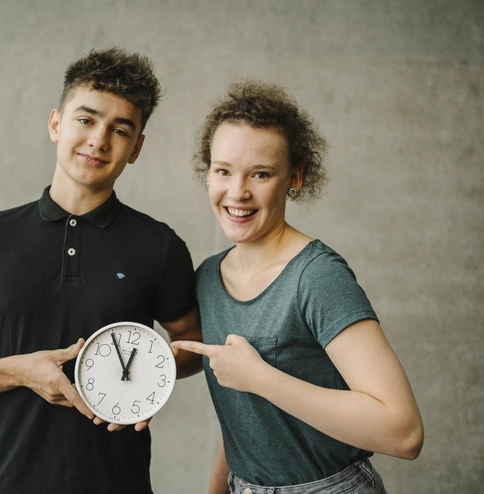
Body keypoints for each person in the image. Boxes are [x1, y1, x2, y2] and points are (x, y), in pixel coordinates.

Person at [0, 47, 202, 494]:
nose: (99, 140)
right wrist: (20, 371)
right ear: (56, 123)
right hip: (9, 483)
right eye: (86, 119)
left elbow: (191, 345)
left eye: (120, 129)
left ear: (136, 148)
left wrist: (149, 379)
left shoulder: (160, 246)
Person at [171, 80, 424, 494]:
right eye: (223, 171)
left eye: (261, 173)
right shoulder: (208, 279)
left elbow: (404, 432)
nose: (237, 192)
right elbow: (250, 419)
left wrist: (261, 378)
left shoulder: (318, 277)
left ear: (295, 177)